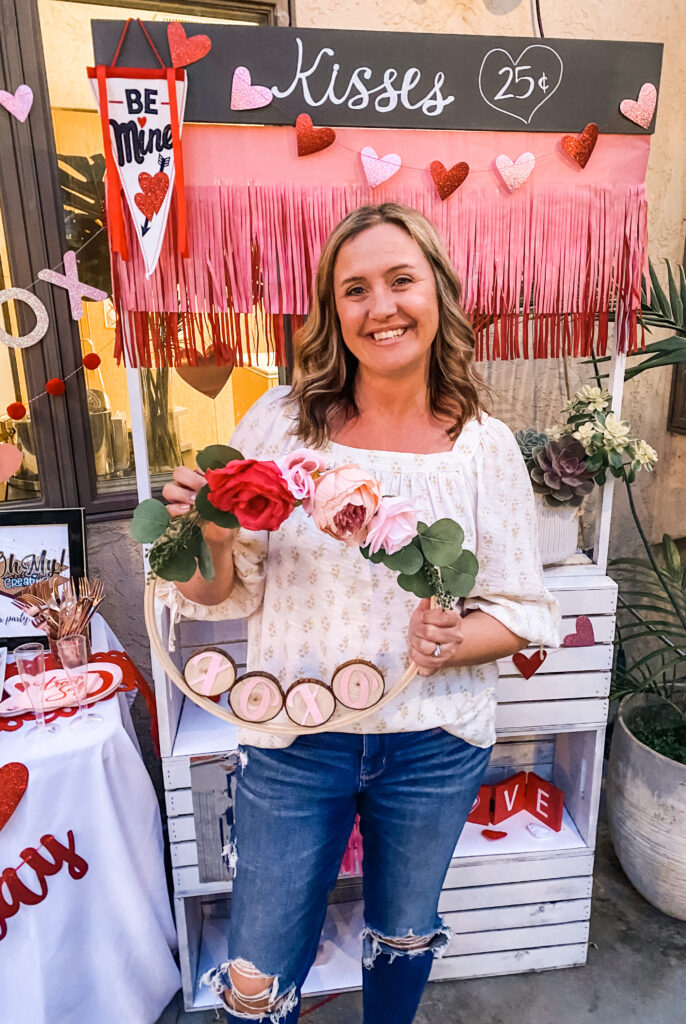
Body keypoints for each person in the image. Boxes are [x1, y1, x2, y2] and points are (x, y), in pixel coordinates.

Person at [161, 203, 560, 1024]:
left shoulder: (482, 448)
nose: (380, 307)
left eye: (400, 280)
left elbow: (523, 611)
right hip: (294, 741)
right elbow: (212, 594)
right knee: (258, 968)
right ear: (332, 312)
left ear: (439, 295)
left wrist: (453, 641)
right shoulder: (279, 423)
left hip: (434, 742)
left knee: (404, 932)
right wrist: (204, 528)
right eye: (355, 289)